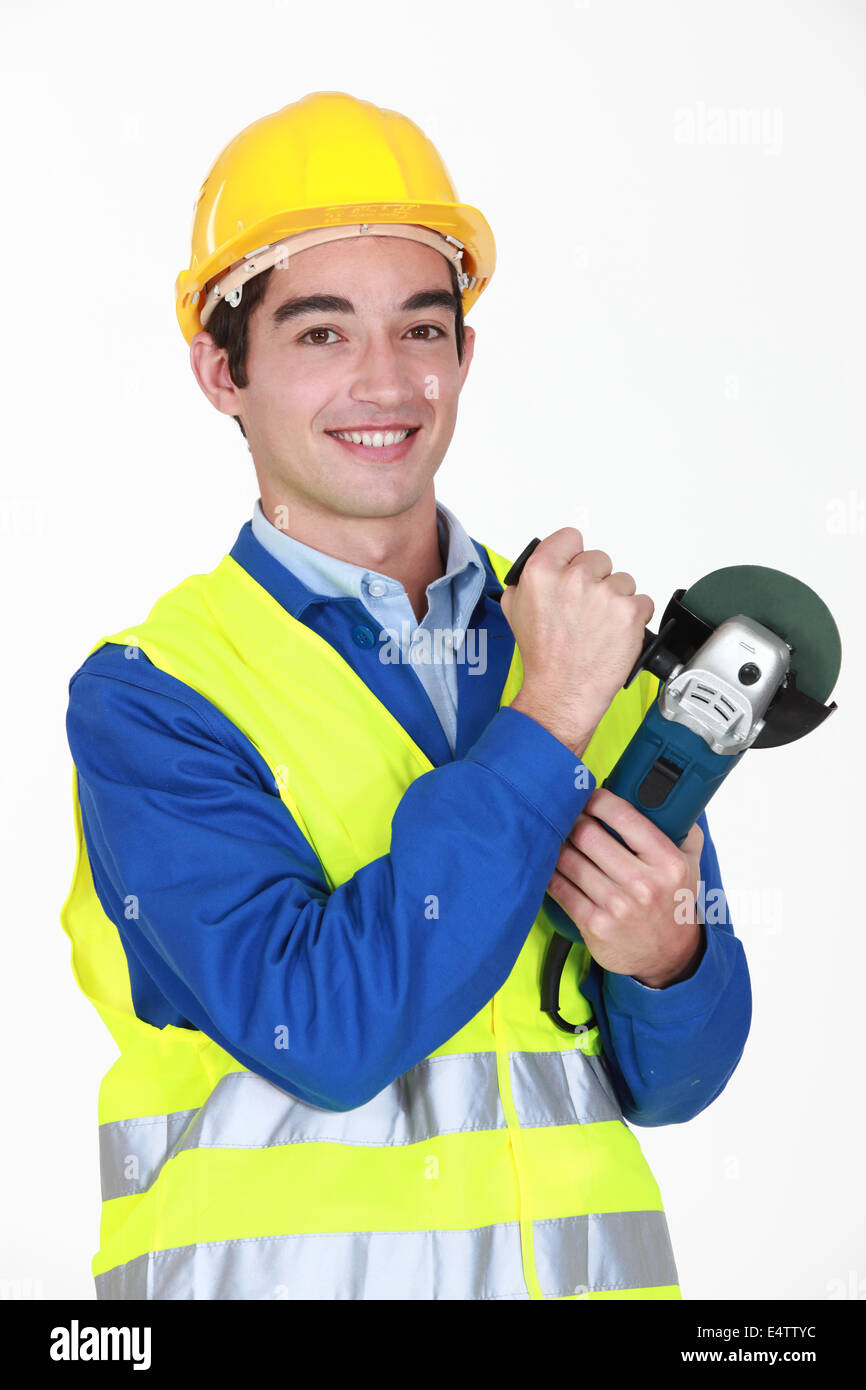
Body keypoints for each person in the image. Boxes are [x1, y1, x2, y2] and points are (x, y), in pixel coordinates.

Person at [60, 91, 751, 1301]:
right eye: (320, 335)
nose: (385, 384)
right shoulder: (151, 697)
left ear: (462, 354)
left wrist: (668, 959)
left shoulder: (570, 633)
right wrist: (545, 723)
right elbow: (323, 1033)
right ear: (221, 368)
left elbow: (672, 1085)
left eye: (421, 331)